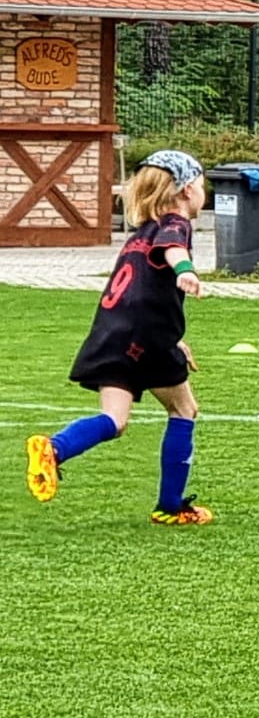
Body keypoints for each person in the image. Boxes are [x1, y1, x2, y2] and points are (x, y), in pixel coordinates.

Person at [25, 149, 215, 525]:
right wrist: (186, 270)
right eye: (202, 183)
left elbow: (140, 295)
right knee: (184, 410)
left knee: (114, 419)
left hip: (113, 334)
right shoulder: (174, 222)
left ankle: (54, 448)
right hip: (144, 339)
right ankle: (171, 507)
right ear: (187, 188)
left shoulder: (139, 236)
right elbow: (175, 249)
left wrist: (172, 337)